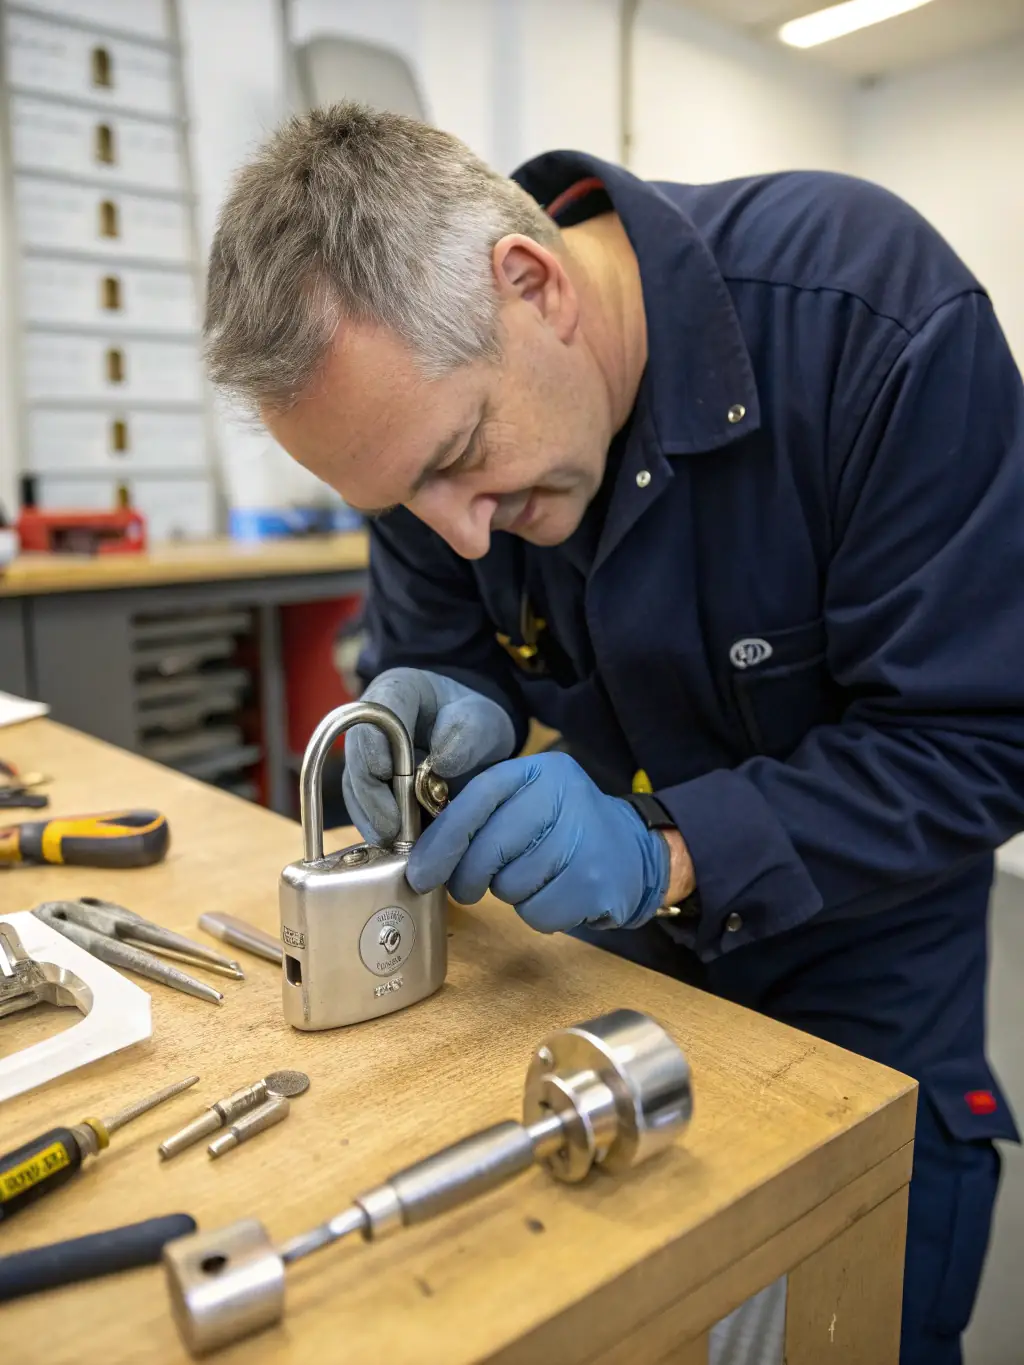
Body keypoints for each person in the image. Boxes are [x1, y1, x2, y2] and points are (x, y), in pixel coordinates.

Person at [204, 103, 1023, 1364]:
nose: (460, 534)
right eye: (404, 504)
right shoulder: (428, 438)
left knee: (850, 1312)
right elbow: (437, 641)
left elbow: (979, 740)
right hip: (607, 964)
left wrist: (671, 850)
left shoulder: (870, 320)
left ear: (531, 281)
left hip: (864, 959)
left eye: (465, 460)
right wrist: (414, 707)